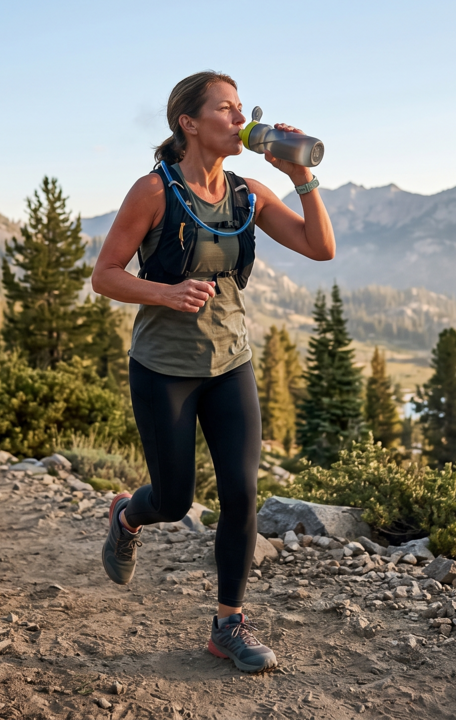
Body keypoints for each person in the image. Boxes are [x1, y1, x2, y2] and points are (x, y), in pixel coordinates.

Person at [90, 71, 334, 673]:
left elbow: (320, 246)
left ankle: (228, 624)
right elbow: (106, 275)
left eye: (240, 108)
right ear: (189, 124)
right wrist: (166, 293)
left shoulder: (249, 192)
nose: (238, 118)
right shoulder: (154, 191)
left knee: (242, 494)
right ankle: (128, 515)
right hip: (163, 367)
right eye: (224, 110)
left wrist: (304, 179)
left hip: (231, 363)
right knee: (172, 500)